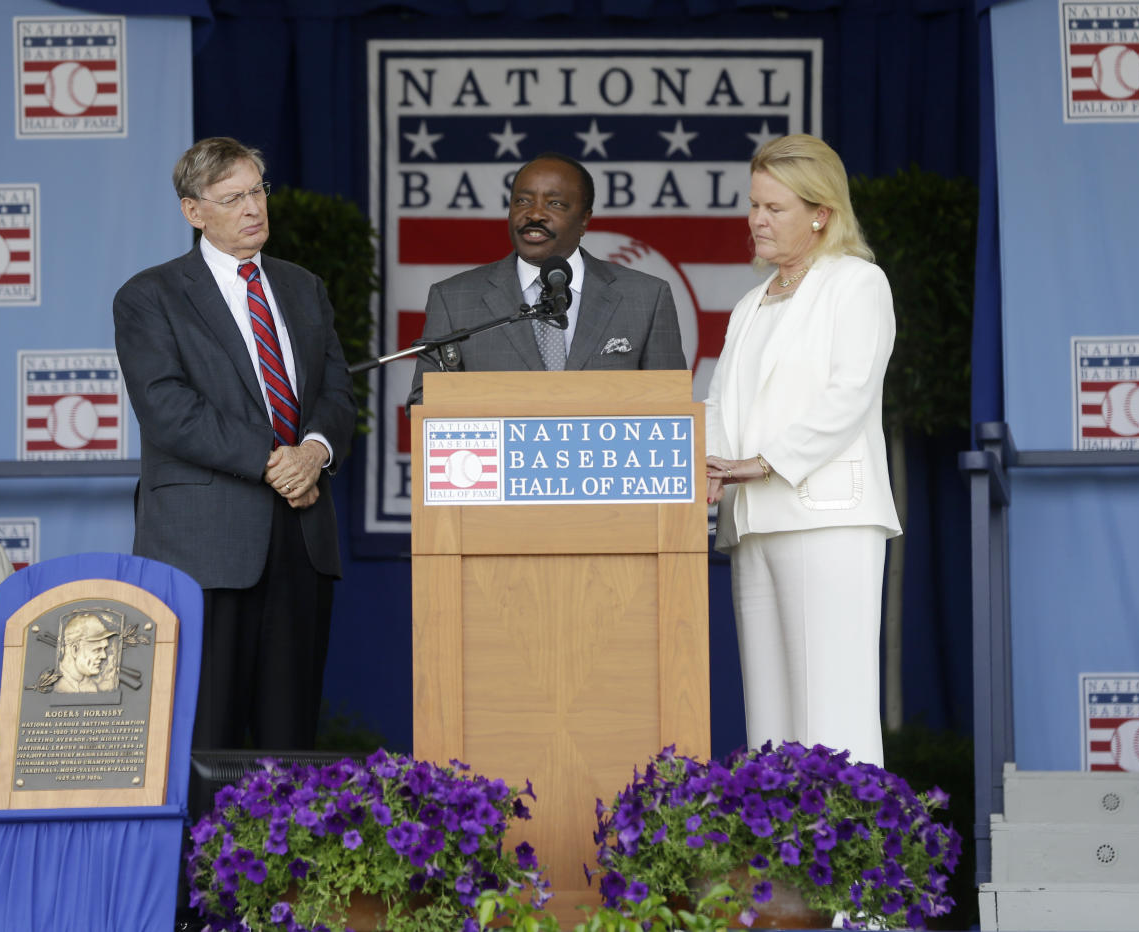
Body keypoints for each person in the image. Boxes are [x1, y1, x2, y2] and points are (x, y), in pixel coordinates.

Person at [114, 137, 356, 750]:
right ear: (194, 211)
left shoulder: (304, 288)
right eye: (232, 198)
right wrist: (273, 459)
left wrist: (315, 450)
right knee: (203, 731)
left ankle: (286, 848)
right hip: (205, 543)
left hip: (300, 537)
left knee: (290, 734)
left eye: (257, 191)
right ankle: (200, 852)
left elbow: (335, 393)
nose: (253, 208)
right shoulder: (151, 296)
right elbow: (167, 409)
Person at [704, 134, 901, 766]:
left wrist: (757, 466)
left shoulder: (857, 283)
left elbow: (847, 397)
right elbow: (719, 407)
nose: (757, 220)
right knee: (770, 720)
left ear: (821, 213)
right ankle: (779, 860)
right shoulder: (748, 305)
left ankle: (850, 865)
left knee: (832, 711)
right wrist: (705, 467)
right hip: (752, 522)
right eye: (753, 205)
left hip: (827, 517)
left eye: (775, 208)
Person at [407, 152, 686, 407]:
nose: (535, 214)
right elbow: (426, 403)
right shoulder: (454, 299)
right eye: (523, 201)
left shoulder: (646, 297)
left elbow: (672, 405)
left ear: (585, 219)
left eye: (554, 203)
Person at [53, 612, 118, 693]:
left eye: (104, 649)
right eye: (97, 650)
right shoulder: (55, 683)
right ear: (75, 650)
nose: (104, 656)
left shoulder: (92, 686)